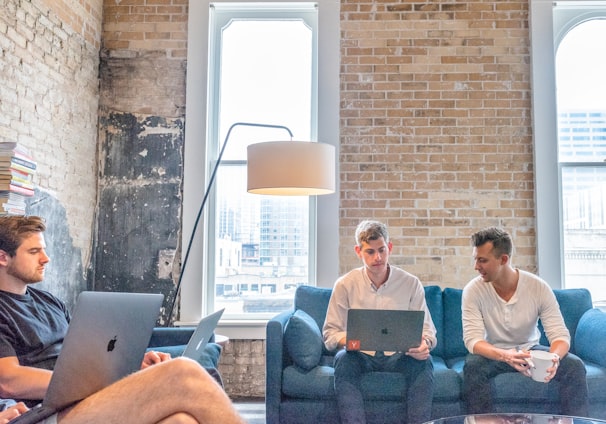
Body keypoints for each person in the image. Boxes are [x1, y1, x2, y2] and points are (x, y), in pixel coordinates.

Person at [0, 215, 245, 424]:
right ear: (3, 258)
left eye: (43, 250)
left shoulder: (49, 301)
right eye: (33, 252)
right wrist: (99, 379)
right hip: (45, 412)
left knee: (181, 420)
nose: (46, 258)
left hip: (83, 398)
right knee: (183, 371)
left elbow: (84, 355)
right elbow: (9, 381)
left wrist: (131, 364)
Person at [461, 226, 589, 417]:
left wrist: (552, 359)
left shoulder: (538, 287)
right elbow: (473, 341)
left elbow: (560, 336)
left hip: (531, 351)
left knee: (574, 366)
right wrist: (505, 356)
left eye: (483, 260)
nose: (476, 266)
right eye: (475, 259)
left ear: (503, 259)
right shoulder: (473, 290)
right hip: (494, 352)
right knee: (472, 366)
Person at [323, 220, 437, 424]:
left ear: (389, 248)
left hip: (400, 355)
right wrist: (352, 339)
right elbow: (330, 334)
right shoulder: (344, 285)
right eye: (370, 252)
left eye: (382, 250)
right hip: (360, 355)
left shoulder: (410, 283)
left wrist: (424, 345)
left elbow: (428, 331)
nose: (378, 257)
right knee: (343, 359)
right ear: (358, 251)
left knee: (424, 362)